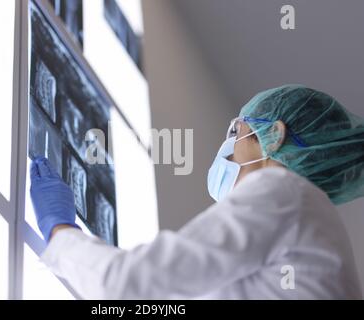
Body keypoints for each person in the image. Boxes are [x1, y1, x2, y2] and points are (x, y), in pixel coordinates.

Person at [30, 84, 364, 299]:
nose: (226, 146)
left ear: (273, 136)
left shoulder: (284, 193)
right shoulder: (310, 225)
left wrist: (60, 232)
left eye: (236, 129)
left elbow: (127, 285)